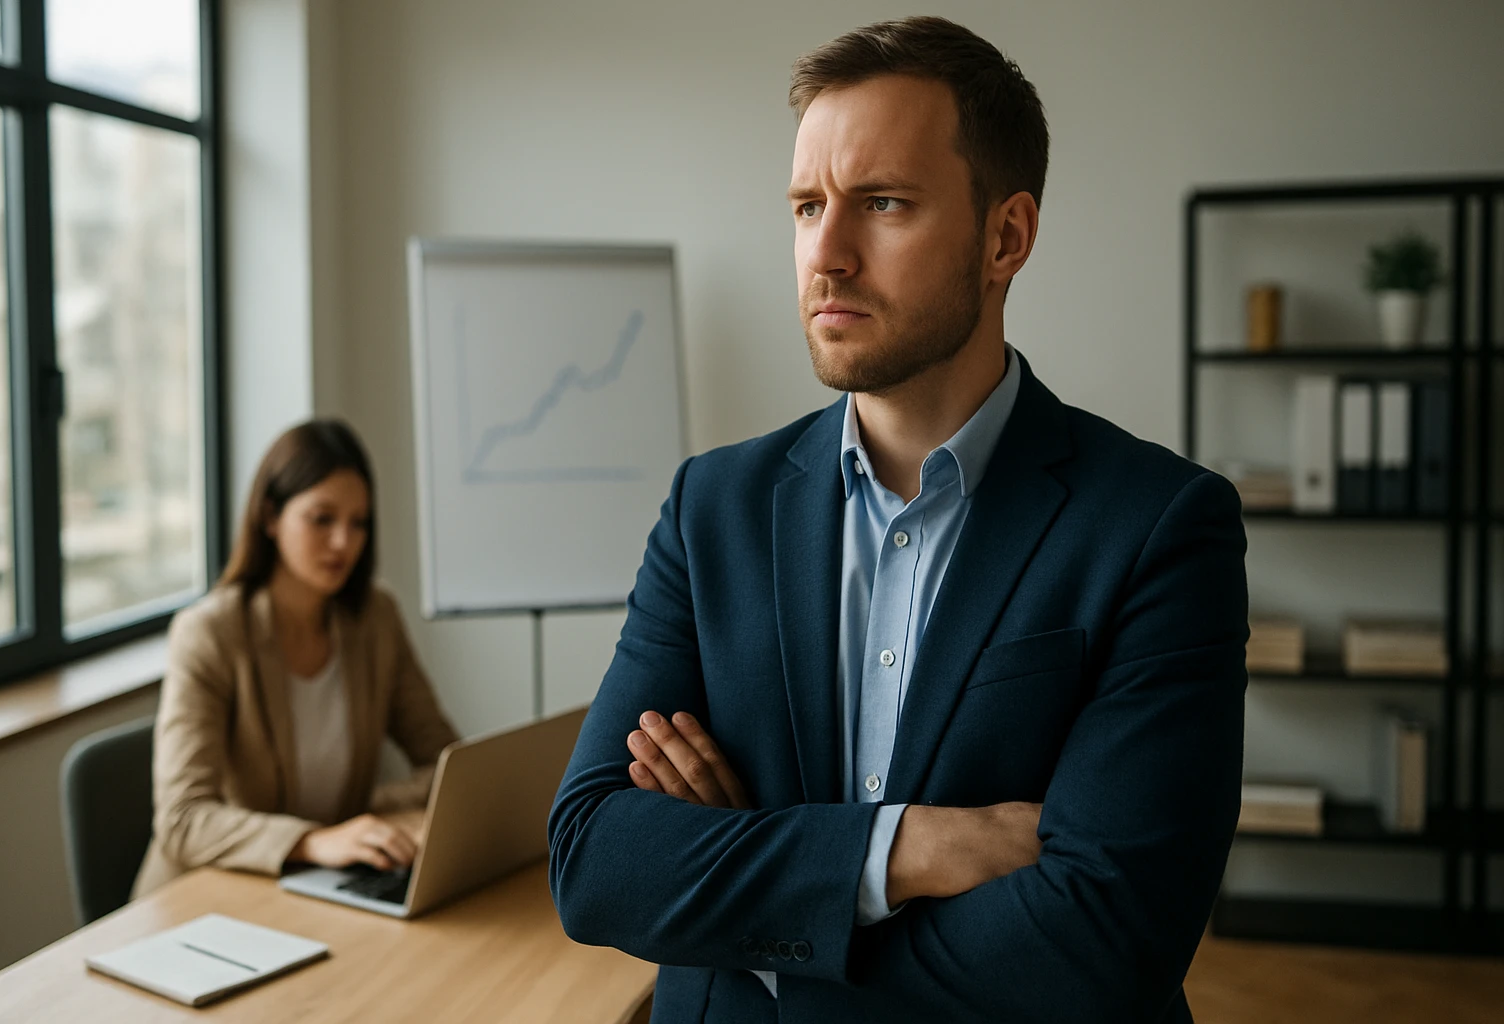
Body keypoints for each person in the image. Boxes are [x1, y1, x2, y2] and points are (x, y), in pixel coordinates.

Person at [549, 16, 1247, 1024]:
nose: (826, 255)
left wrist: (762, 915)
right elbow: (593, 860)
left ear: (1006, 237)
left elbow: (1106, 935)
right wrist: (905, 848)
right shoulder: (713, 508)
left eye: (882, 203)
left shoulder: (1160, 528)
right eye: (807, 206)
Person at [133, 419, 460, 898]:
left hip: (320, 885)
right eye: (322, 519)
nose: (343, 542)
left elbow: (447, 765)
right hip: (205, 897)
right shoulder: (210, 632)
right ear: (270, 517)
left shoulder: (375, 618)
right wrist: (313, 840)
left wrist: (361, 818)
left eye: (358, 523)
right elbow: (182, 819)